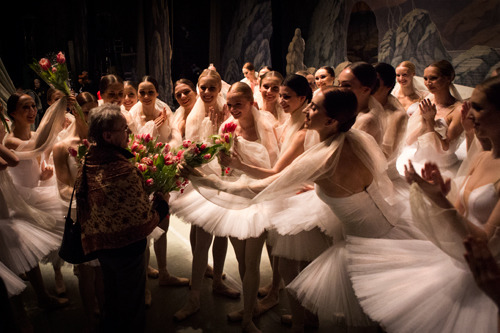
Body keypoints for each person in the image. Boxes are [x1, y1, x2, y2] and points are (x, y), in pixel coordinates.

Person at [346, 75, 500, 333]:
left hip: (489, 273)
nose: (471, 115)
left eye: (480, 107)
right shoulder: (482, 157)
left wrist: (438, 198)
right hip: (460, 262)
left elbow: (484, 237)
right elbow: (461, 215)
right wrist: (435, 194)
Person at [76, 104, 169, 332]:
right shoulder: (122, 169)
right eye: (123, 129)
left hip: (102, 246)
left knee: (112, 299)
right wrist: (162, 204)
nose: (128, 133)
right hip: (127, 250)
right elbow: (141, 221)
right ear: (107, 135)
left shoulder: (89, 160)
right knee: (132, 306)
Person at [5, 92, 71, 296]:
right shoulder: (9, 141)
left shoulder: (35, 136)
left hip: (39, 191)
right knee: (29, 247)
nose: (32, 111)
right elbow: (37, 148)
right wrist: (58, 109)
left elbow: (41, 159)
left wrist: (43, 175)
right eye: (25, 107)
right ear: (13, 113)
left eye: (34, 106)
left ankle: (58, 273)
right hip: (20, 198)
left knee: (62, 227)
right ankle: (40, 293)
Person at [52, 92, 104, 331]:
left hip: (105, 211)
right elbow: (63, 187)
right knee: (86, 271)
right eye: (86, 110)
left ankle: (104, 311)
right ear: (74, 111)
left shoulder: (101, 141)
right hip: (79, 211)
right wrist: (84, 201)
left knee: (103, 267)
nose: (91, 115)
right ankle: (89, 318)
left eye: (94, 110)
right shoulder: (62, 147)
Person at [128, 76, 184, 287]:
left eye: (150, 92)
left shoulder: (165, 112)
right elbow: (132, 144)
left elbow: (174, 138)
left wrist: (166, 157)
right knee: (143, 230)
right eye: (142, 92)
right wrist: (150, 127)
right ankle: (143, 284)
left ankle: (164, 273)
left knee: (163, 223)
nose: (146, 96)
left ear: (157, 93)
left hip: (161, 173)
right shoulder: (132, 116)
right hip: (140, 175)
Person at [397, 60, 464, 178]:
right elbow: (408, 140)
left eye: (433, 78)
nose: (428, 83)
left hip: (443, 166)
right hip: (418, 160)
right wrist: (423, 125)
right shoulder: (427, 102)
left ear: (449, 78)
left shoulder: (458, 110)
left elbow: (446, 148)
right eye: (425, 78)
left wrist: (430, 122)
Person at [373, 62, 408, 180]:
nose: (371, 85)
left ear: (388, 86)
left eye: (376, 82)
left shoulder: (397, 115)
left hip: (382, 175)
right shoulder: (363, 104)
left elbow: (385, 155)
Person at [338, 62, 385, 146]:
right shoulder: (350, 112)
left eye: (346, 85)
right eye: (339, 84)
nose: (340, 89)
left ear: (366, 90)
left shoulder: (366, 120)